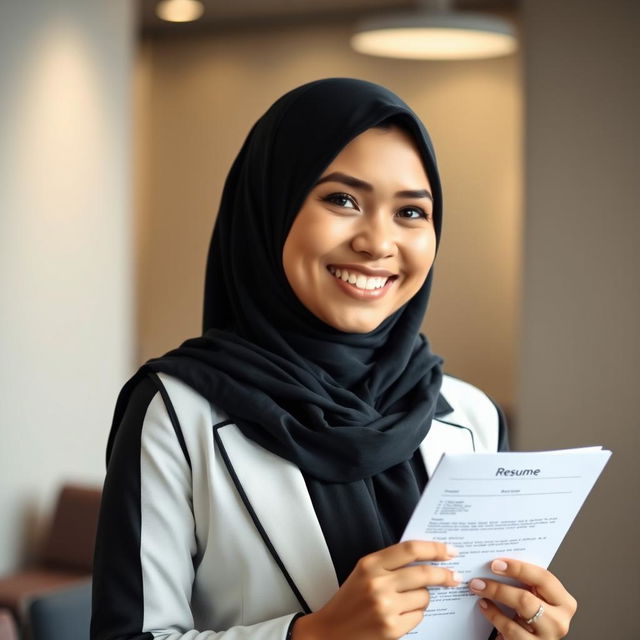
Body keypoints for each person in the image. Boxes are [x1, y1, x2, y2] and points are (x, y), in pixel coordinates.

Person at [90, 78, 577, 640]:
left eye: (411, 212)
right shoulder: (175, 411)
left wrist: (524, 628)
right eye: (342, 199)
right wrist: (312, 636)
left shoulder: (471, 416)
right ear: (270, 208)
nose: (377, 242)